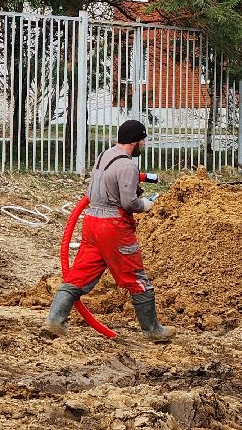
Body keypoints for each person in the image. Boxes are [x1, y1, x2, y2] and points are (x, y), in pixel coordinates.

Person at [41, 119, 175, 342]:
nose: (144, 143)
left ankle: (54, 321)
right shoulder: (128, 166)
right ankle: (152, 330)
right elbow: (130, 203)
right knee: (136, 277)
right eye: (143, 139)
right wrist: (149, 205)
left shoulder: (105, 155)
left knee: (80, 274)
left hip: (92, 221)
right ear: (135, 140)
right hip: (113, 227)